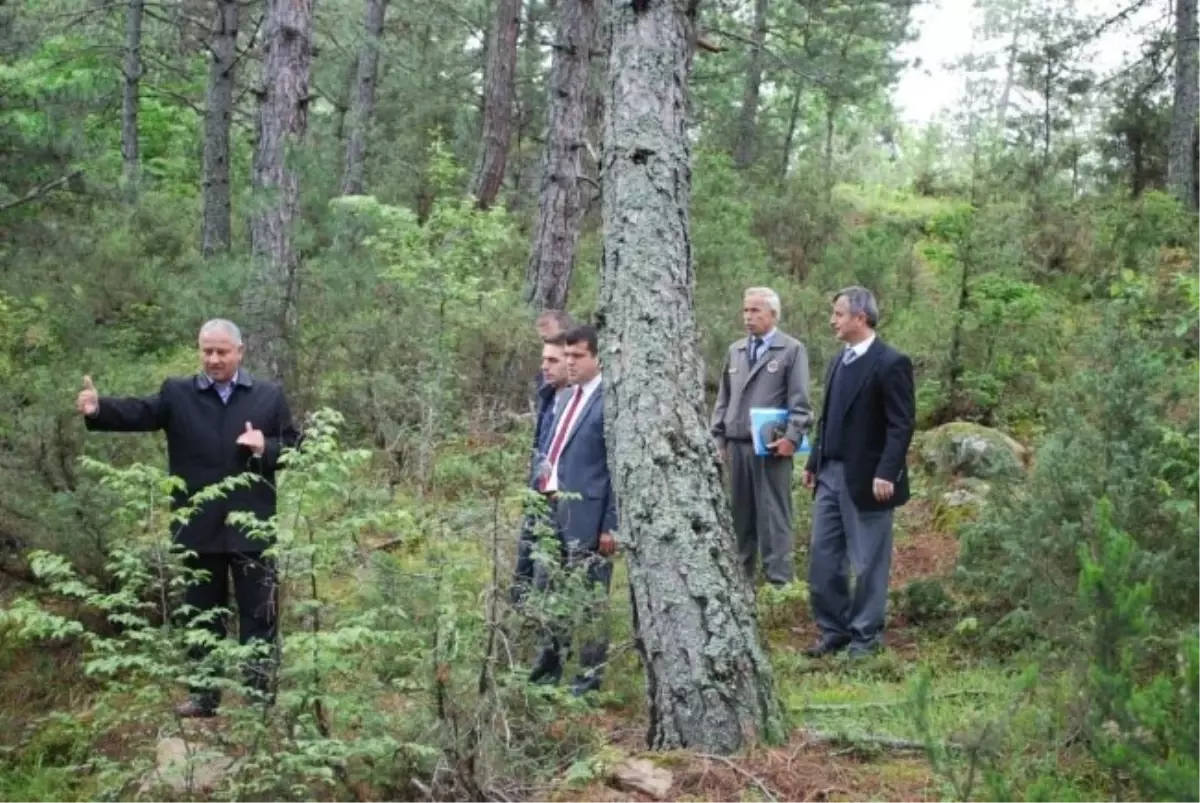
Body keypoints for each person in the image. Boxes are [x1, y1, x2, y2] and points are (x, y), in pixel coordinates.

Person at [76, 319, 301, 716]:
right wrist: (99, 409)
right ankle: (203, 696)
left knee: (259, 615)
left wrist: (266, 446)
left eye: (221, 352)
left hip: (253, 526)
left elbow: (296, 447)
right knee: (201, 615)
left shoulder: (268, 395)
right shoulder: (177, 393)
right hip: (198, 524)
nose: (213, 359)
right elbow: (141, 412)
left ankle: (258, 699)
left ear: (239, 352)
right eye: (206, 351)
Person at [802, 286, 915, 659]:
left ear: (860, 318)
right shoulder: (840, 360)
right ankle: (834, 631)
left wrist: (887, 471)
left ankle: (865, 637)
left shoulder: (890, 362)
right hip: (830, 474)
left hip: (869, 479)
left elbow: (901, 425)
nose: (833, 320)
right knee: (822, 555)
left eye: (838, 314)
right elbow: (828, 417)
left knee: (868, 561)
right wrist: (813, 462)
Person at [528, 324, 618, 696]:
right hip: (550, 509)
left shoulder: (609, 402)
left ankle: (588, 680)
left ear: (598, 357)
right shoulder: (564, 397)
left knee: (592, 600)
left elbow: (617, 468)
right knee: (548, 593)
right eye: (566, 355)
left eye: (577, 356)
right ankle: (548, 669)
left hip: (590, 517)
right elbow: (550, 449)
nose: (570, 363)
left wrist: (612, 525)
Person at [710, 287, 812, 587]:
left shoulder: (791, 350)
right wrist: (718, 439)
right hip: (737, 446)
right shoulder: (736, 351)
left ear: (773, 314)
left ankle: (780, 586)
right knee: (739, 517)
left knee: (773, 517)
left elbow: (801, 401)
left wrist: (792, 437)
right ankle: (741, 583)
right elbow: (722, 400)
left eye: (755, 311)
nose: (748, 317)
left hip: (771, 448)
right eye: (745, 310)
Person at [511, 333, 571, 604]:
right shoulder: (548, 395)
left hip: (562, 502)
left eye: (552, 360)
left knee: (548, 574)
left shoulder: (582, 403)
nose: (545, 366)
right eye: (543, 359)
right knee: (525, 563)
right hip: (537, 495)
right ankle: (521, 623)